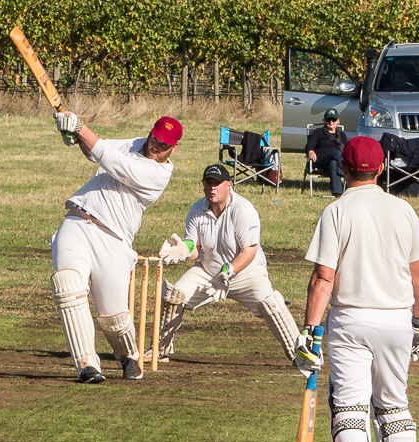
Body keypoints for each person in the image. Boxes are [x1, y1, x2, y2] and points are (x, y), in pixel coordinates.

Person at [297, 136, 419, 442]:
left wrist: (309, 330)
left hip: (351, 320)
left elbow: (323, 278)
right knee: (394, 405)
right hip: (396, 320)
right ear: (381, 168)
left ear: (343, 168)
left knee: (349, 407)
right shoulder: (403, 209)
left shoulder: (336, 211)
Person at [50, 112, 181, 383]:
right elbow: (96, 151)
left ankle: (127, 355)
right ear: (151, 132)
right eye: (155, 138)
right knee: (68, 286)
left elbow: (111, 160)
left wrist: (80, 127)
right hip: (77, 221)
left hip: (114, 239)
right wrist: (75, 136)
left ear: (173, 148)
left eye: (163, 145)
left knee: (112, 316)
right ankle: (86, 364)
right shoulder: (134, 144)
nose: (156, 146)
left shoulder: (158, 174)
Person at [153, 164, 301, 363]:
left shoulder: (243, 209)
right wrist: (183, 249)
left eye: (217, 183)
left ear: (229, 185)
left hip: (246, 272)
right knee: (174, 296)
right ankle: (159, 349)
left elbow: (249, 251)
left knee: (270, 303)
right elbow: (195, 249)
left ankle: (300, 353)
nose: (212, 188)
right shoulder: (196, 209)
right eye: (208, 183)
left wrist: (227, 271)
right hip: (208, 271)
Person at [305, 108, 348, 196]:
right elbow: (309, 144)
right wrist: (310, 151)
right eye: (328, 119)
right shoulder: (318, 132)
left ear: (338, 121)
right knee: (336, 153)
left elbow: (347, 149)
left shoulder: (342, 135)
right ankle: (347, 173)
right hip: (320, 160)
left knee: (333, 163)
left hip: (335, 161)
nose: (331, 122)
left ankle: (337, 192)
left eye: (333, 120)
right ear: (324, 120)